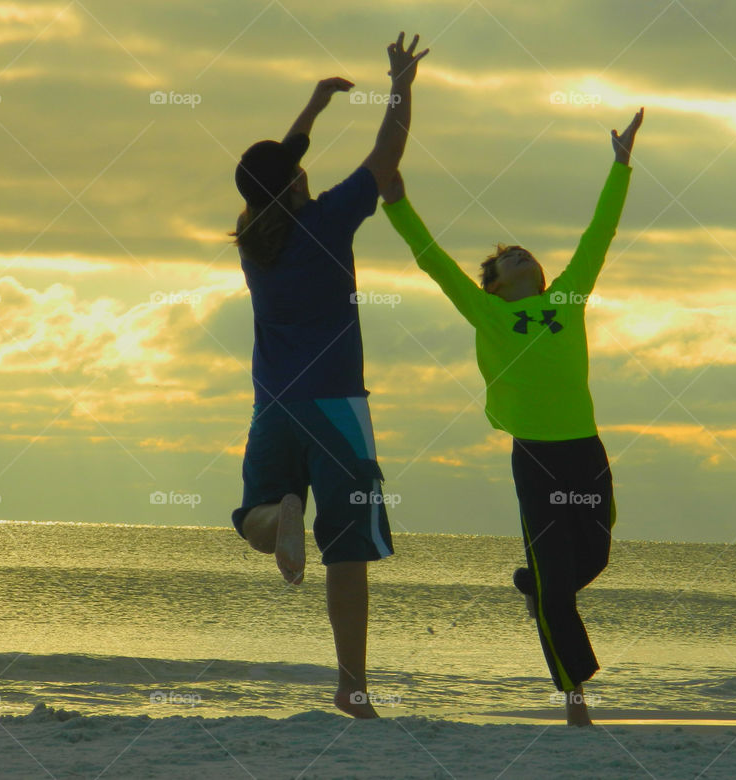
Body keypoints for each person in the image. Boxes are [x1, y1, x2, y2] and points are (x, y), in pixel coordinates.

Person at [380, 108, 644, 726]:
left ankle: (536, 591)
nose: (519, 255)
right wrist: (396, 202)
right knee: (556, 583)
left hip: (585, 449)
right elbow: (431, 259)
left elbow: (597, 236)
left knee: (594, 561)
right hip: (537, 458)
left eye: (524, 252)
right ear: (495, 287)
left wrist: (621, 165)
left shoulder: (569, 297)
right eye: (506, 258)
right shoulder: (487, 313)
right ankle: (576, 701)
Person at [230, 33, 429, 719]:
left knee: (252, 515)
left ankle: (276, 518)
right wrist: (401, 83)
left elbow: (277, 172)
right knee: (347, 551)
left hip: (273, 410)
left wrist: (312, 109)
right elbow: (386, 154)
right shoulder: (326, 221)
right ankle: (351, 684)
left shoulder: (253, 240)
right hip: (338, 409)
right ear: (296, 182)